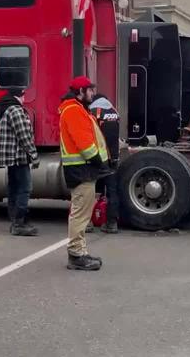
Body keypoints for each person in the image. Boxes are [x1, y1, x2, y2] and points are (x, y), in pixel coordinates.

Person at [59, 76, 110, 271]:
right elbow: (84, 141)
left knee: (82, 212)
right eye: (89, 90)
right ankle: (76, 255)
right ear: (80, 91)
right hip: (82, 170)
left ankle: (80, 252)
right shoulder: (73, 110)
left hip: (83, 170)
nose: (92, 93)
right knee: (80, 214)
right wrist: (97, 159)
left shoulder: (76, 109)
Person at [0, 87, 39, 236]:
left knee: (13, 188)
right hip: (18, 156)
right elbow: (24, 135)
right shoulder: (16, 110)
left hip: (10, 156)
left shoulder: (6, 109)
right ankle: (19, 223)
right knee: (25, 188)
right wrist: (33, 154)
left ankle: (15, 220)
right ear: (20, 95)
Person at [88, 94, 121, 234]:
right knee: (112, 191)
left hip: (96, 158)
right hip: (112, 158)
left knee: (90, 190)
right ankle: (111, 223)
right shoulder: (114, 111)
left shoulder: (92, 111)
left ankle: (87, 223)